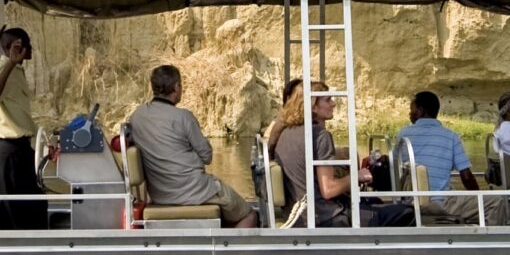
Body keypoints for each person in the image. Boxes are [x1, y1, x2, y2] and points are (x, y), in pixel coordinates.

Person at [123, 64, 257, 227]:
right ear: (176, 87)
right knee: (249, 214)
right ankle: (231, 252)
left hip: (161, 195)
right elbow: (207, 156)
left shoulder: (137, 116)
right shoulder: (184, 117)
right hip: (196, 190)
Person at [271, 80, 417, 228]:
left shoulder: (285, 133)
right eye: (328, 100)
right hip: (325, 217)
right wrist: (357, 176)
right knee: (408, 213)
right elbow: (329, 189)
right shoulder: (320, 136)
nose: (333, 104)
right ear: (314, 106)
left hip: (299, 216)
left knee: (375, 203)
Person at [0, 26, 48, 230]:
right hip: (8, 148)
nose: (31, 48)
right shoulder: (6, 68)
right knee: (13, 206)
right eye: (25, 44)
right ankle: (15, 249)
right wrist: (10, 61)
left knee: (33, 201)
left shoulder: (7, 67)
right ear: (14, 48)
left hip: (18, 147)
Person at [391, 90, 482, 218]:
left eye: (412, 109)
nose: (409, 114)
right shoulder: (451, 137)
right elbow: (466, 177)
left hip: (410, 203)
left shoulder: (403, 134)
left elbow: (395, 170)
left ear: (421, 111)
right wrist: (479, 198)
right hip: (440, 203)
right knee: (495, 202)